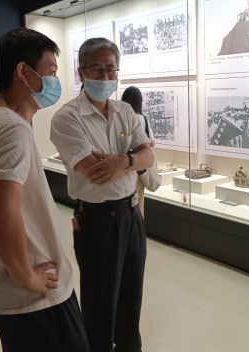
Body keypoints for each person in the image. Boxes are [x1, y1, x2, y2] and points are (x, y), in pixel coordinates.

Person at [0, 28, 88, 352]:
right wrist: (28, 278)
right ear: (24, 72)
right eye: (50, 72)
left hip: (22, 299)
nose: (54, 82)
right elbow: (0, 217)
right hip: (36, 301)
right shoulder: (13, 129)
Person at [50, 37, 154, 352]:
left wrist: (123, 161)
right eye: (96, 69)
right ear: (81, 72)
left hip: (131, 214)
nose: (105, 76)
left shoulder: (125, 111)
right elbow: (94, 171)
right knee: (100, 302)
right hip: (97, 219)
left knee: (132, 295)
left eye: (111, 69)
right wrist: (133, 159)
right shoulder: (67, 118)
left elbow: (149, 157)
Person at [121, 86, 156, 216]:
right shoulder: (142, 119)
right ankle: (138, 227)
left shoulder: (121, 119)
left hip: (123, 166)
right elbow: (151, 143)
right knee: (138, 203)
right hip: (139, 167)